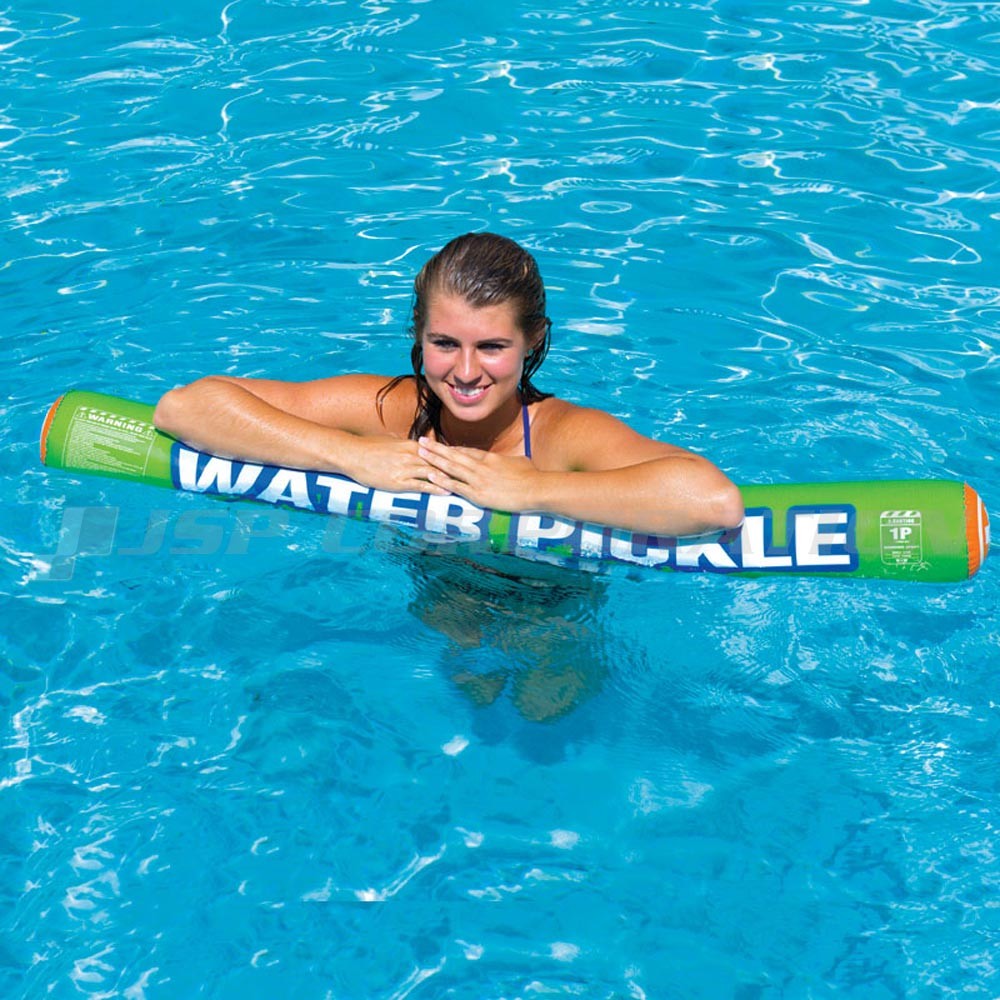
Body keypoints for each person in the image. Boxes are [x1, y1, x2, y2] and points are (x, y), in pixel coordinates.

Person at [154, 232, 743, 537]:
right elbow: (185, 407)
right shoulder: (391, 410)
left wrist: (534, 490)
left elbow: (713, 501)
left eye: (492, 347)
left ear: (533, 339)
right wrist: (349, 455)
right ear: (418, 332)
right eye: (444, 344)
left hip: (553, 604)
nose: (464, 373)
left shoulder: (560, 436)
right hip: (433, 589)